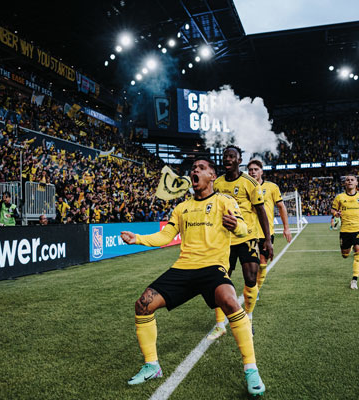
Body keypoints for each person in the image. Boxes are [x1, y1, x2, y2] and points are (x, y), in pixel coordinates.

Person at [120, 157, 266, 396]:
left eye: (201, 168)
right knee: (143, 305)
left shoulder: (224, 200)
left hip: (212, 268)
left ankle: (251, 369)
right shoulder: (181, 207)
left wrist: (235, 226)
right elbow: (165, 236)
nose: (194, 171)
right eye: (193, 169)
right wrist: (138, 238)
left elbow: (242, 228)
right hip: (184, 268)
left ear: (212, 176)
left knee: (230, 301)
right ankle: (152, 365)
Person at [208, 146, 272, 340]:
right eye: (225, 156)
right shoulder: (217, 183)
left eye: (231, 156)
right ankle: (220, 324)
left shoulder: (249, 183)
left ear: (239, 160)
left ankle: (248, 317)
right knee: (219, 281)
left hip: (247, 237)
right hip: (224, 240)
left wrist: (267, 240)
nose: (227, 159)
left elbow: (261, 211)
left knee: (251, 278)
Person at [247, 158, 292, 289]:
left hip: (265, 232)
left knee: (262, 264)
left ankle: (256, 289)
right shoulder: (245, 186)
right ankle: (252, 288)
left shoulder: (272, 187)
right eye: (250, 170)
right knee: (250, 264)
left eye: (256, 169)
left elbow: (281, 207)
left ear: (261, 171)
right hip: (248, 232)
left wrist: (286, 228)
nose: (253, 172)